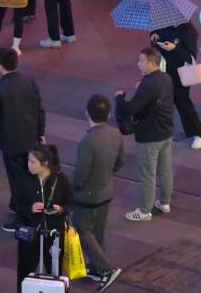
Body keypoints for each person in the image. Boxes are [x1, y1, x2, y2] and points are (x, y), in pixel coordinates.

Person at [0, 48, 46, 232]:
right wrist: (40, 132)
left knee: (17, 180)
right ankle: (19, 206)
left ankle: (24, 217)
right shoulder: (29, 81)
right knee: (28, 176)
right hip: (31, 140)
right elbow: (39, 108)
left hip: (11, 144)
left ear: (0, 66)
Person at [115, 48, 174, 221]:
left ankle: (144, 210)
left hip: (149, 136)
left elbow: (129, 109)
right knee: (165, 169)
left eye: (141, 61)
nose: (138, 64)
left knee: (148, 173)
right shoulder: (166, 78)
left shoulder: (148, 85)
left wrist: (120, 98)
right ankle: (164, 202)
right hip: (166, 132)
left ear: (151, 63)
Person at [71, 95, 124, 292]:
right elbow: (120, 161)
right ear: (108, 114)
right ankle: (96, 268)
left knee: (82, 230)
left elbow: (81, 173)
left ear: (87, 112)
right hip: (106, 191)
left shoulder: (88, 141)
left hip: (88, 195)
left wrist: (74, 188)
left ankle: (106, 269)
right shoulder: (115, 134)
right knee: (98, 232)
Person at [15, 144, 73, 293]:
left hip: (54, 232)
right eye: (28, 161)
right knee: (25, 270)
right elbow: (15, 204)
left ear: (45, 164)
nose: (29, 165)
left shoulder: (60, 179)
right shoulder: (24, 179)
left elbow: (71, 202)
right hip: (30, 233)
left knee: (54, 271)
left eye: (33, 162)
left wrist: (61, 209)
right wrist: (29, 208)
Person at [150, 23, 201, 149]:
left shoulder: (189, 33)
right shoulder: (161, 28)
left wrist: (174, 48)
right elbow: (156, 46)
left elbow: (190, 57)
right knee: (163, 102)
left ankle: (200, 133)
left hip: (181, 73)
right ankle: (163, 130)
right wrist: (153, 38)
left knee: (183, 103)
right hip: (164, 71)